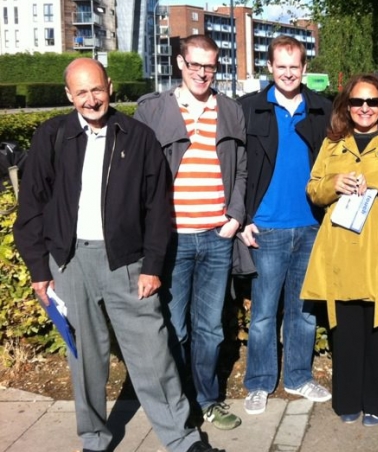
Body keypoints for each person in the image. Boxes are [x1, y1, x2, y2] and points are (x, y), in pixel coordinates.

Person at [13, 58, 222, 452]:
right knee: (86, 360)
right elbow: (31, 209)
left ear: (109, 86)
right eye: (81, 93)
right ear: (68, 96)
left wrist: (153, 267)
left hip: (127, 264)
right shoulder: (51, 136)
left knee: (153, 354)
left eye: (97, 90)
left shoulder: (138, 137)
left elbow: (158, 209)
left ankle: (182, 439)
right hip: (70, 264)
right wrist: (40, 270)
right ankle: (94, 439)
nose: (91, 100)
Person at [300, 74, 378, 427]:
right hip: (342, 248)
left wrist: (377, 180)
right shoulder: (332, 144)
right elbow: (313, 190)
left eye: (372, 102)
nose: (365, 108)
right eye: (357, 102)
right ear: (346, 105)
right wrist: (333, 183)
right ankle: (348, 400)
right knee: (347, 330)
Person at [135, 34, 246, 430]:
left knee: (210, 327)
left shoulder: (230, 110)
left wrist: (233, 215)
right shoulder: (153, 110)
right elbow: (140, 173)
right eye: (195, 64)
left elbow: (241, 168)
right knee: (175, 327)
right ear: (180, 63)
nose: (203, 72)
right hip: (174, 238)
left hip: (216, 236)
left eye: (210, 65)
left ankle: (209, 399)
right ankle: (178, 404)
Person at [237, 35, 333, 414]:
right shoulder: (250, 109)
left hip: (311, 226)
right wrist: (242, 218)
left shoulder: (322, 110)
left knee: (303, 311)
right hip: (267, 228)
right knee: (262, 313)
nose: (289, 73)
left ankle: (297, 377)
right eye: (281, 66)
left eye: (295, 66)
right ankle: (259, 382)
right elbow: (237, 170)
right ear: (270, 68)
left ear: (304, 68)